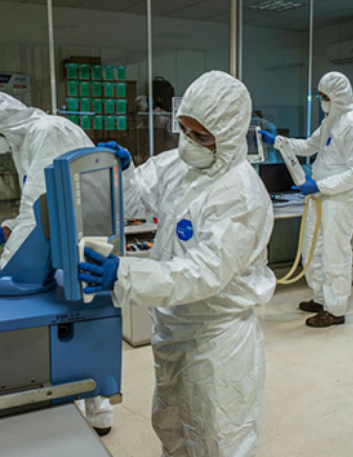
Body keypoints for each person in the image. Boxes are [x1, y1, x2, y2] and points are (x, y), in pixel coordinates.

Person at [79, 71, 275, 456]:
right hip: (172, 328)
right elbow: (137, 200)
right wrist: (123, 174)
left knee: (217, 438)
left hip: (216, 338)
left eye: (201, 136)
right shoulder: (180, 164)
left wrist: (125, 274)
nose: (189, 143)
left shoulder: (241, 195)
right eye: (184, 129)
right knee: (171, 427)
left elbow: (204, 273)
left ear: (231, 136)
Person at [0, 90, 115, 435]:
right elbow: (34, 206)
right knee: (74, 319)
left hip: (82, 238)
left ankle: (96, 411)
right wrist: (7, 230)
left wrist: (8, 265)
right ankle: (87, 410)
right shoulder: (27, 139)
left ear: (1, 125)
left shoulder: (46, 132)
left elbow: (39, 208)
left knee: (81, 321)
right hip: (65, 236)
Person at [259, 71, 353, 328]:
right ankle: (321, 298)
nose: (322, 101)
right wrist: (277, 141)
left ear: (337, 96)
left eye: (324, 97)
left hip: (340, 198)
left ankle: (336, 308)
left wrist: (319, 184)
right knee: (312, 248)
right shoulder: (332, 119)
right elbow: (309, 145)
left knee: (335, 253)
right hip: (321, 196)